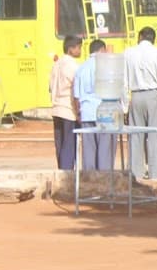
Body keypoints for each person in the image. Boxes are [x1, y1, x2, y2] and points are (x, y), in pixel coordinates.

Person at [124, 26, 157, 180]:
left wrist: (124, 105)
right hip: (154, 94)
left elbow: (124, 81)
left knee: (136, 136)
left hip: (135, 95)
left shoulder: (128, 52)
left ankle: (136, 175)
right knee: (155, 135)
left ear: (140, 36)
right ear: (153, 39)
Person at [71, 39, 115, 170]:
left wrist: (78, 114)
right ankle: (105, 181)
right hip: (105, 112)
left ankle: (89, 182)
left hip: (87, 112)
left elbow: (76, 96)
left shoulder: (81, 68)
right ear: (102, 50)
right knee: (105, 150)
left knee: (89, 151)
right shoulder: (106, 67)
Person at [48, 35, 81, 170]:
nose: (80, 51)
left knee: (60, 145)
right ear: (70, 49)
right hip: (68, 110)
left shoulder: (56, 64)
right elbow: (76, 90)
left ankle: (61, 173)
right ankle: (66, 177)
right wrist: (78, 111)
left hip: (56, 109)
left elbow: (50, 87)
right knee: (69, 145)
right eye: (78, 48)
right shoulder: (72, 65)